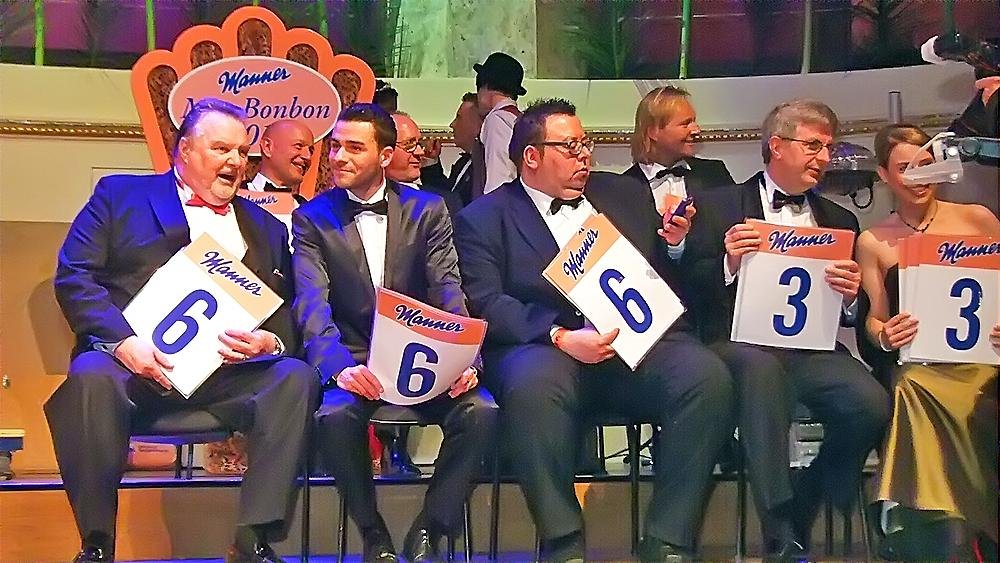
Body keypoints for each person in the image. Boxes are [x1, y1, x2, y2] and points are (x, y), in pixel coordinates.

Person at [453, 98, 733, 563]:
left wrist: (676, 245)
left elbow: (663, 274)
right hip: (548, 347)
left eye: (586, 144)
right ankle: (563, 542)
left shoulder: (624, 195)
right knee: (533, 383)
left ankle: (668, 539)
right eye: (570, 146)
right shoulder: (484, 218)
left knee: (705, 376)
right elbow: (487, 302)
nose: (584, 156)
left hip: (631, 344)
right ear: (531, 156)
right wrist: (560, 336)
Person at [45, 98, 319, 563]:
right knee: (90, 376)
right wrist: (123, 343)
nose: (235, 161)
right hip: (131, 369)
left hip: (224, 378)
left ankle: (254, 538)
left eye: (242, 152)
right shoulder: (119, 196)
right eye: (221, 149)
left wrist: (268, 341)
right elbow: (75, 277)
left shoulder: (268, 228)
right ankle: (97, 543)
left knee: (295, 377)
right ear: (185, 150)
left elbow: (285, 310)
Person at [681, 99, 890, 561]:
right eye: (813, 146)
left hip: (812, 350)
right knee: (761, 374)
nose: (824, 158)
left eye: (828, 148)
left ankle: (809, 495)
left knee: (871, 403)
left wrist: (850, 295)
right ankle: (779, 529)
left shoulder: (841, 220)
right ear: (776, 146)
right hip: (737, 346)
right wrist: (728, 262)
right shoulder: (718, 206)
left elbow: (849, 312)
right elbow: (688, 288)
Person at [292, 103, 497, 563]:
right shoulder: (312, 217)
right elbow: (311, 303)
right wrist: (339, 369)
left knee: (481, 413)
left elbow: (448, 290)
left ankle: (430, 529)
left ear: (385, 156)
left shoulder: (429, 210)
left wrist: (466, 358)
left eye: (354, 147)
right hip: (356, 360)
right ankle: (373, 535)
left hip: (423, 357)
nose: (338, 157)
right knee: (335, 417)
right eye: (335, 146)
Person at [856, 123, 999, 561]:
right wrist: (885, 337)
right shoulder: (874, 240)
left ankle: (973, 522)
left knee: (978, 396)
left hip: (985, 358)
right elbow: (874, 319)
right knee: (911, 386)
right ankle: (932, 521)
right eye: (905, 168)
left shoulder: (978, 219)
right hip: (919, 363)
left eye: (926, 165)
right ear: (884, 175)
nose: (918, 177)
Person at [623, 86, 735, 214]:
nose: (696, 130)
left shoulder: (714, 173)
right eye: (685, 124)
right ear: (653, 132)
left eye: (694, 121)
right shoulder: (625, 188)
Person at [387, 111, 462, 217]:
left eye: (419, 143)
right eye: (409, 144)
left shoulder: (445, 203)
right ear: (383, 152)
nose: (420, 152)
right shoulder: (363, 199)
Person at [472, 52, 525, 196]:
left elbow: (499, 178)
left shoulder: (497, 120)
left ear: (485, 86)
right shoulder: (518, 119)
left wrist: (492, 208)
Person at [421, 92, 482, 209]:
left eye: (459, 118)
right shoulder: (464, 162)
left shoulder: (484, 168)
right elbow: (446, 195)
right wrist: (431, 162)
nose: (452, 124)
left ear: (477, 125)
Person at [244, 119, 315, 205]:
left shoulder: (307, 209)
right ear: (267, 147)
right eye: (298, 146)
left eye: (311, 151)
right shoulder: (235, 197)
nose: (307, 156)